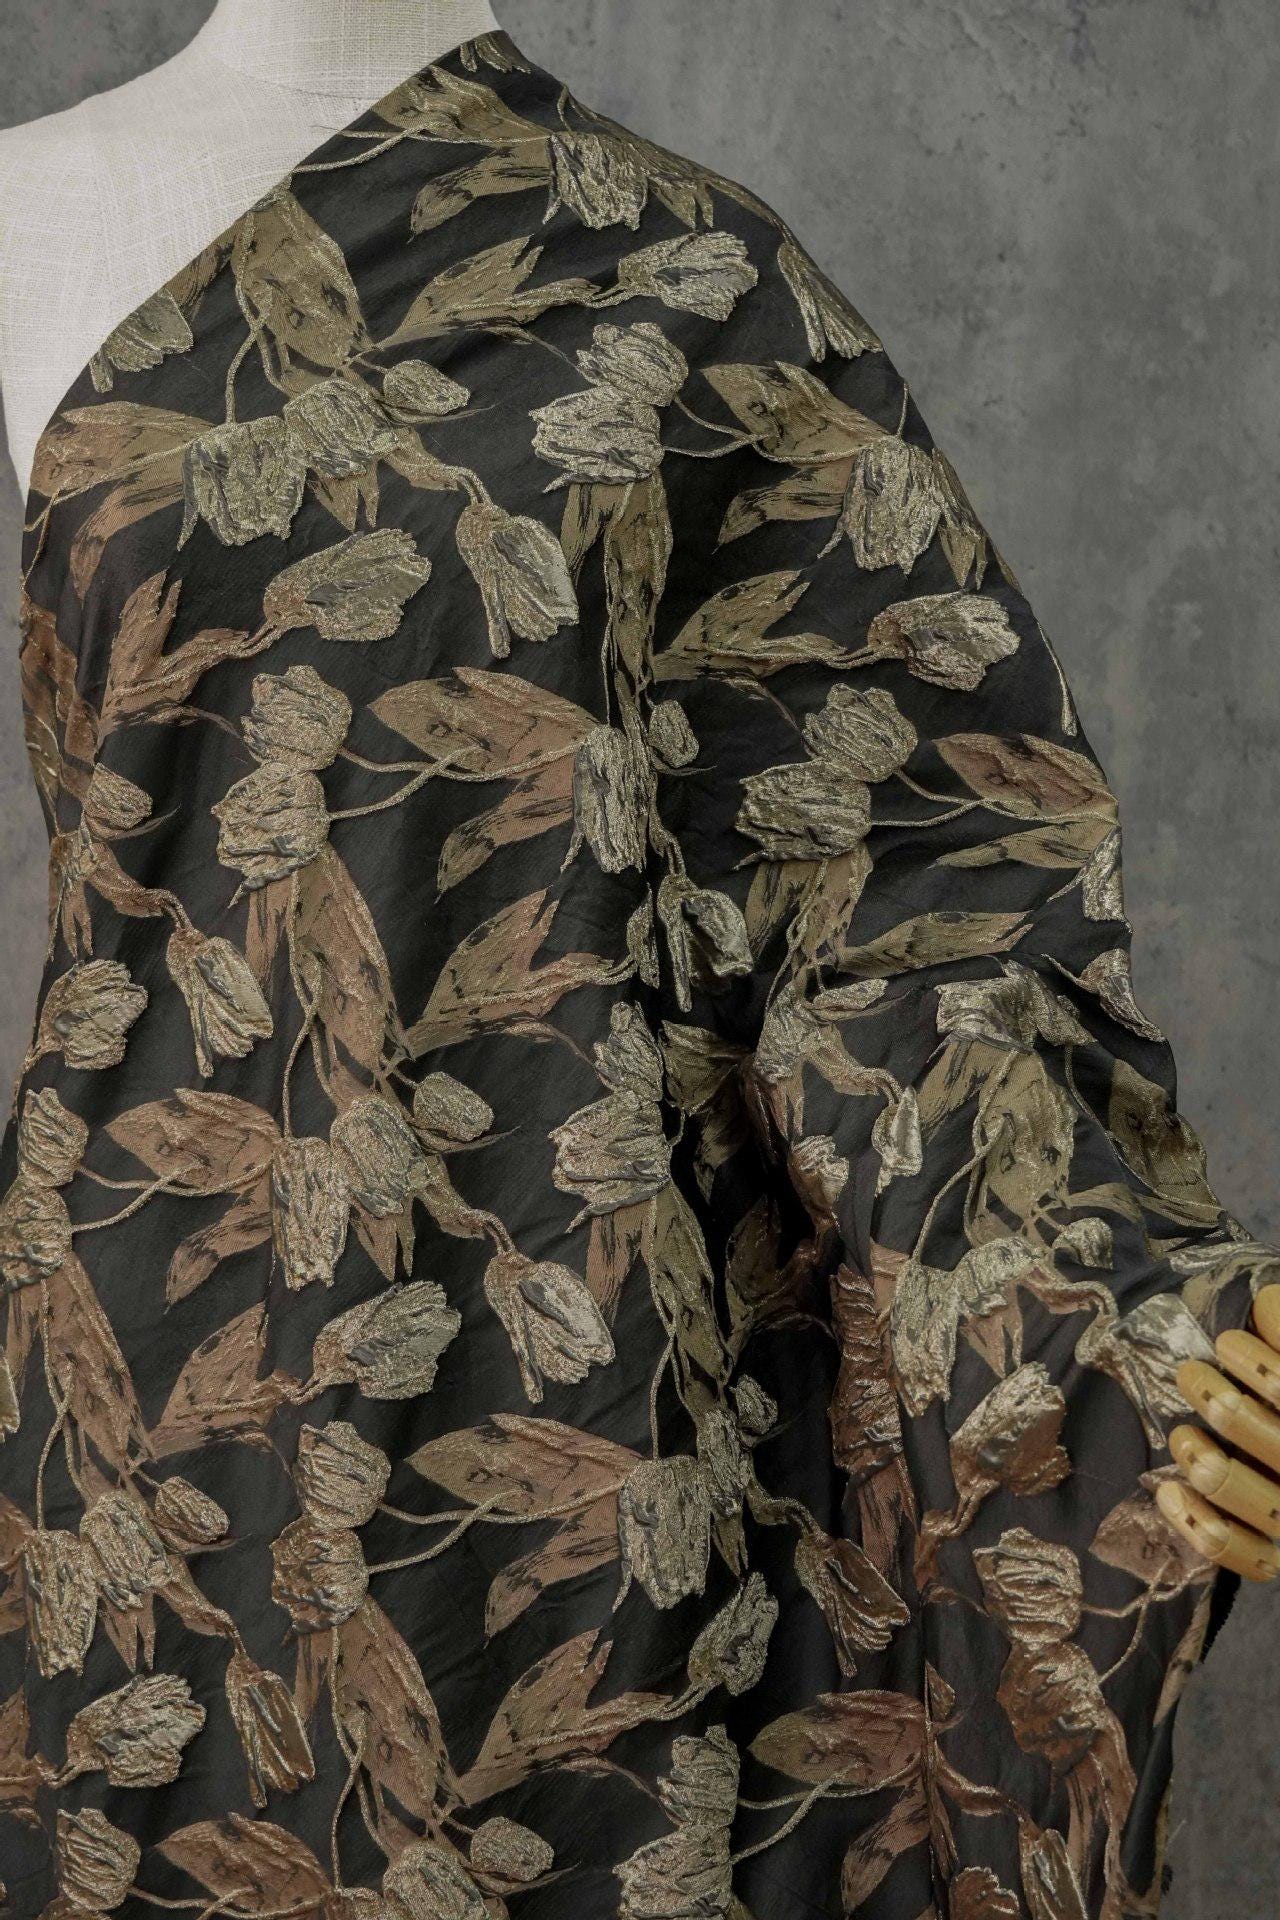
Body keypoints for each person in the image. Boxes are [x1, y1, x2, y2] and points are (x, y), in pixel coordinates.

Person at [0, 10, 1276, 1917]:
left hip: (586, 1352)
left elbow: (911, 895)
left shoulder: (691, 281)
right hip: (150, 1364)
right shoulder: (22, 215)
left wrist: (1132, 1325)